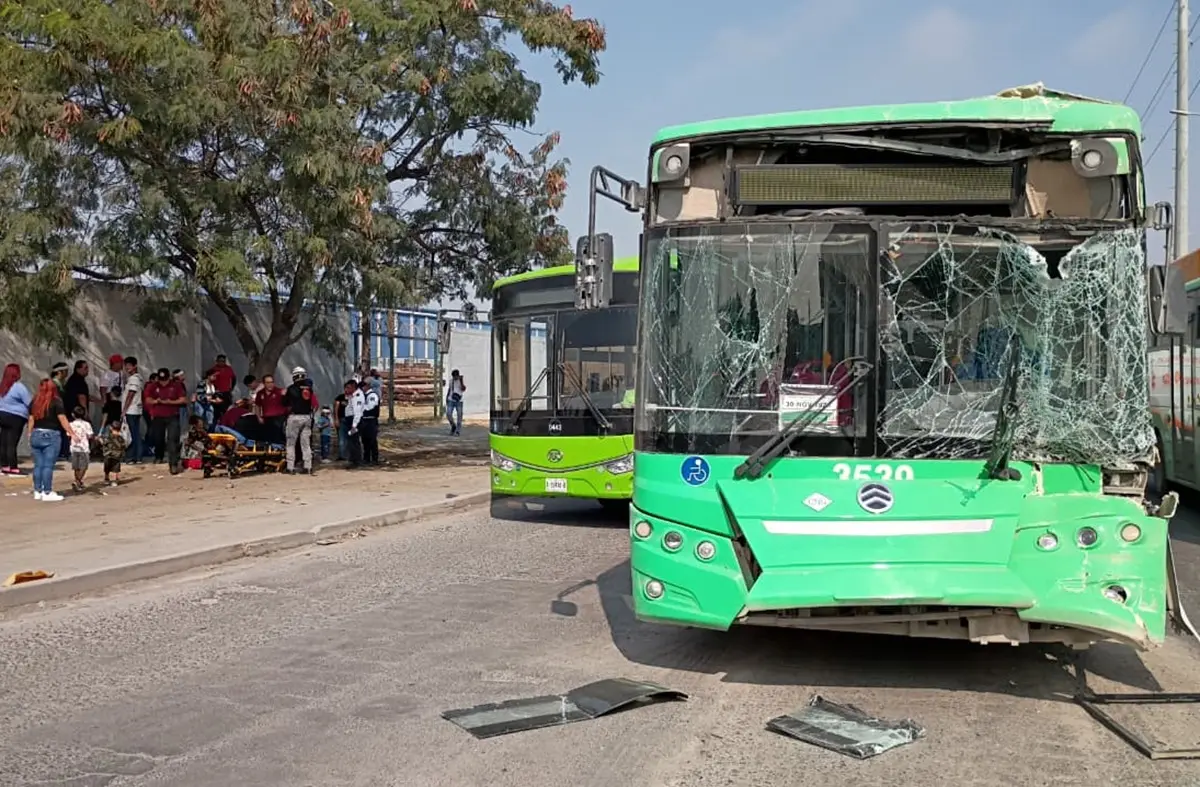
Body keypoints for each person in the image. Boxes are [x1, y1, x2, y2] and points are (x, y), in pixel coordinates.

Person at [26, 379, 70, 501]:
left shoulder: (35, 401)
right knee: (48, 466)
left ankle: (37, 490)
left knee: (38, 465)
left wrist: (29, 433)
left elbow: (31, 419)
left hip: (36, 433)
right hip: (51, 435)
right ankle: (47, 492)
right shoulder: (56, 401)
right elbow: (62, 419)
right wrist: (71, 432)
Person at [146, 366, 187, 473]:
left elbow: (183, 400)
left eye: (165, 380)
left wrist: (170, 402)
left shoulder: (176, 386)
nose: (163, 383)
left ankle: (173, 464)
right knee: (158, 438)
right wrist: (156, 401)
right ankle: (158, 456)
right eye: (161, 380)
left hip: (172, 415)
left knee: (172, 439)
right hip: (158, 416)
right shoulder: (152, 386)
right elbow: (147, 399)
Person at [282, 366, 317, 474]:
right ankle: (308, 466)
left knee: (291, 443)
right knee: (305, 443)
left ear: (294, 376)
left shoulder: (291, 388)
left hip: (294, 417)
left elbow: (284, 403)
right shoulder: (309, 389)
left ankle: (290, 467)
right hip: (307, 417)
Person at [0, 363, 31, 476]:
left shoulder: (2, 386)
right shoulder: (19, 387)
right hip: (16, 417)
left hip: (2, 415)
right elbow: (29, 402)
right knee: (12, 442)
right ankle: (13, 468)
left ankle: (4, 465)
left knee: (3, 441)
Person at [122, 356, 145, 464]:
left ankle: (132, 456)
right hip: (135, 409)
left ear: (135, 366)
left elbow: (131, 394)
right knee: (135, 433)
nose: (127, 368)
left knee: (131, 434)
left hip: (132, 410)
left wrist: (124, 410)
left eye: (129, 366)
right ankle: (137, 456)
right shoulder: (136, 378)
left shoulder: (134, 379)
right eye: (126, 366)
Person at [66, 405, 94, 492]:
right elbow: (90, 435)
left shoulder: (70, 424)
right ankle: (77, 481)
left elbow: (68, 434)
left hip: (74, 448)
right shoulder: (87, 424)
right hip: (84, 448)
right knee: (84, 467)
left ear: (73, 415)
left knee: (76, 467)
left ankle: (78, 482)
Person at [254, 374, 287, 444]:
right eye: (268, 382)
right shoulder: (260, 393)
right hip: (267, 418)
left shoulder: (279, 392)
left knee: (277, 435)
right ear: (264, 383)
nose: (270, 384)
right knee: (267, 436)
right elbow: (257, 406)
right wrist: (259, 417)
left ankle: (278, 448)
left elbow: (288, 404)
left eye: (272, 382)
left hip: (279, 418)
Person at [343, 379, 366, 467]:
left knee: (354, 441)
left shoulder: (358, 396)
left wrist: (354, 425)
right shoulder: (351, 396)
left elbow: (358, 412)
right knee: (351, 441)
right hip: (350, 420)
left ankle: (356, 461)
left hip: (355, 421)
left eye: (348, 388)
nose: (346, 390)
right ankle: (353, 459)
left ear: (353, 387)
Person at [358, 378, 380, 465]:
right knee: (365, 440)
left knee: (372, 440)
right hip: (364, 420)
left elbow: (370, 407)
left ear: (367, 386)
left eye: (362, 386)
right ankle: (366, 458)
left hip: (371, 420)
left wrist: (360, 409)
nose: (361, 388)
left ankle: (374, 459)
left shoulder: (372, 396)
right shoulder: (364, 396)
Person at [208, 354, 236, 422]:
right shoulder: (213, 369)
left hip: (226, 392)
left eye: (223, 361)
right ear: (217, 361)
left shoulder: (229, 369)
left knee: (226, 410)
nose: (221, 363)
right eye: (220, 361)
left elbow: (234, 378)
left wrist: (231, 388)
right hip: (217, 393)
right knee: (217, 411)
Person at [445, 368, 465, 436]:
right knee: (448, 414)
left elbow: (463, 389)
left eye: (456, 376)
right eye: (454, 377)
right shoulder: (451, 381)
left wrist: (461, 380)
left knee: (459, 415)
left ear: (458, 375)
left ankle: (458, 430)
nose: (455, 378)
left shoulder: (461, 381)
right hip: (451, 399)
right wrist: (446, 398)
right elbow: (449, 389)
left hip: (459, 400)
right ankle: (453, 425)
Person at [333, 384, 350, 461]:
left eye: (349, 388)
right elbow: (336, 408)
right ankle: (342, 455)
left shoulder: (354, 397)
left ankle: (349, 454)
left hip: (350, 420)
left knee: (350, 438)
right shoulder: (340, 397)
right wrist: (336, 419)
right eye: (346, 388)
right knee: (342, 438)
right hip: (342, 419)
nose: (347, 390)